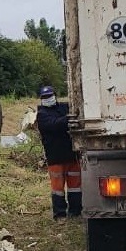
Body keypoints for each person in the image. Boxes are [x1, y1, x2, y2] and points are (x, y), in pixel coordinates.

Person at [34, 85, 82, 220]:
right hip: (55, 157)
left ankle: (76, 212)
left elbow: (75, 112)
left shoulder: (64, 107)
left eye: (49, 96)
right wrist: (69, 119)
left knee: (75, 187)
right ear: (41, 99)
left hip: (72, 155)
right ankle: (60, 214)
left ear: (54, 95)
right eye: (45, 97)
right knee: (58, 188)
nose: (48, 99)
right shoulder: (42, 115)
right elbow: (54, 125)